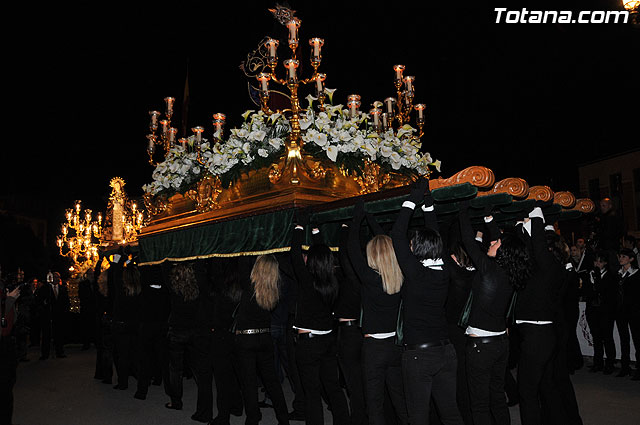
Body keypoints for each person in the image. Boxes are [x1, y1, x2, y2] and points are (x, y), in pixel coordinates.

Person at [390, 178, 463, 425]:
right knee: (450, 412)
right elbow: (435, 235)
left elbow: (397, 233)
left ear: (417, 249)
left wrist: (413, 198)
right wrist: (427, 203)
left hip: (420, 356)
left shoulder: (416, 273)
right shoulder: (443, 270)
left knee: (418, 416)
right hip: (446, 352)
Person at [458, 202, 530, 425]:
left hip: (482, 347)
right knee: (497, 397)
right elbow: (502, 241)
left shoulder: (489, 269)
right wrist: (489, 220)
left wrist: (462, 210)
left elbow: (468, 241)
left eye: (496, 242)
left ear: (503, 250)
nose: (492, 241)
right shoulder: (512, 273)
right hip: (500, 343)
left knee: (479, 403)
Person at [348, 200, 408, 425]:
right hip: (396, 346)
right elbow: (388, 247)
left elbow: (352, 248)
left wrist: (357, 219)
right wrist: (371, 219)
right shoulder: (401, 278)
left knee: (375, 406)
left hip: (374, 348)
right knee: (400, 401)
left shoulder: (370, 279)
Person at [291, 210, 350, 425]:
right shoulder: (332, 281)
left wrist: (299, 227)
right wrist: (314, 230)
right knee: (332, 386)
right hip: (327, 341)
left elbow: (295, 255)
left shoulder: (308, 283)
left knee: (312, 392)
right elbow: (322, 255)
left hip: (309, 344)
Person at [515, 207, 563, 425]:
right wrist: (521, 224)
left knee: (527, 391)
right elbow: (527, 247)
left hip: (538, 335)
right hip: (538, 334)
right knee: (544, 387)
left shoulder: (550, 267)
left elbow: (537, 246)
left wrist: (535, 215)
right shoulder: (542, 267)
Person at [233, 255, 290, 425]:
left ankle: (252, 419)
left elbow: (242, 261)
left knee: (249, 382)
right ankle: (283, 418)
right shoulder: (274, 289)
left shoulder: (249, 286)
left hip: (246, 339)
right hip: (265, 338)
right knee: (271, 380)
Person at [165, 261, 214, 423]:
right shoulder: (199, 283)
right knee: (201, 371)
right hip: (197, 330)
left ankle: (176, 401)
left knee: (175, 369)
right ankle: (204, 407)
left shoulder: (172, 284)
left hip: (177, 330)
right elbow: (201, 265)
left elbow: (163, 263)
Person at [134, 264, 171, 400]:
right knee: (164, 359)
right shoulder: (166, 291)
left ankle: (142, 391)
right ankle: (169, 389)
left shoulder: (144, 291)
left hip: (147, 327)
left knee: (145, 360)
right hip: (162, 327)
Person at [112, 257, 142, 390]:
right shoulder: (139, 289)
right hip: (136, 324)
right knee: (136, 353)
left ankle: (123, 382)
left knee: (122, 355)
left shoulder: (121, 289)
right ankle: (139, 378)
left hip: (122, 325)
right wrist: (129, 261)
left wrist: (120, 258)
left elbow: (115, 272)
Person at [584, 252, 617, 374]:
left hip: (606, 312)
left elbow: (606, 293)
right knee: (596, 338)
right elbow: (586, 292)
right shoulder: (590, 275)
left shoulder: (610, 276)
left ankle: (610, 363)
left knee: (607, 338)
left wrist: (597, 280)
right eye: (596, 261)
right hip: (593, 311)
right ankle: (598, 362)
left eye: (600, 261)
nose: (597, 264)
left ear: (605, 263)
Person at [614, 248, 640, 379]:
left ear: (631, 259)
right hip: (621, 312)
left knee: (637, 339)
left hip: (634, 312)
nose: (621, 258)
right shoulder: (618, 274)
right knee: (624, 339)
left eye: (624, 256)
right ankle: (625, 366)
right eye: (620, 256)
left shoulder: (636, 274)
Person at [1, 274, 21, 425]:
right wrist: (9, 301)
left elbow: (10, 321)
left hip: (6, 345)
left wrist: (10, 301)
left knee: (7, 388)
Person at [36, 271, 69, 359]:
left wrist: (64, 312)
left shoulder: (63, 289)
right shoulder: (46, 288)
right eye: (54, 277)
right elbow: (39, 300)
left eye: (58, 277)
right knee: (46, 335)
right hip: (48, 315)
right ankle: (45, 354)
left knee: (59, 334)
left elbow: (66, 302)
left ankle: (60, 351)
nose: (56, 279)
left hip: (59, 315)